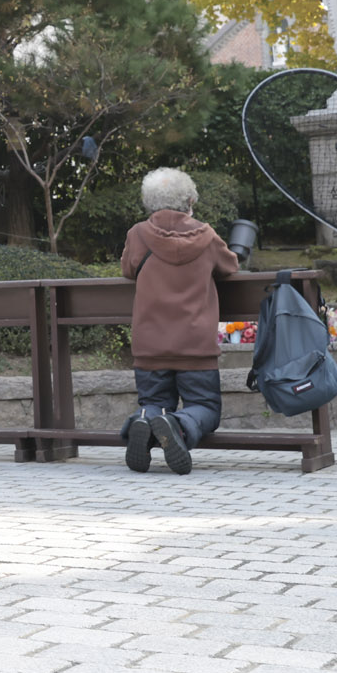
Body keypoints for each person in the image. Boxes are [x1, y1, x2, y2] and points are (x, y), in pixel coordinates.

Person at [120, 168, 241, 475]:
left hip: (150, 347)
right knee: (206, 409)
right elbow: (230, 266)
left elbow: (127, 269)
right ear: (189, 200)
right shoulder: (207, 235)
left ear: (150, 203)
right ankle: (178, 424)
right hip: (195, 347)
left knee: (153, 402)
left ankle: (143, 421)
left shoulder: (137, 235)